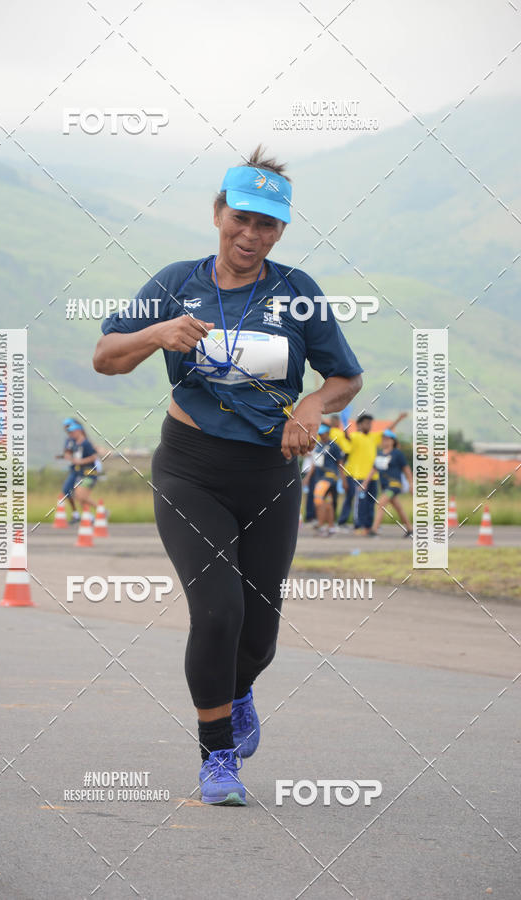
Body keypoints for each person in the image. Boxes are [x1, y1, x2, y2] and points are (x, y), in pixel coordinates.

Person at [93, 146, 363, 806]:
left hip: (271, 474)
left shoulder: (297, 293)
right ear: (218, 214)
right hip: (191, 470)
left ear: (281, 231)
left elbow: (345, 377)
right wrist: (157, 334)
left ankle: (238, 692)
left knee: (260, 633)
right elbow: (105, 356)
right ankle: (217, 759)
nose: (250, 235)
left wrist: (310, 406)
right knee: (218, 611)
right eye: (240, 218)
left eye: (266, 225)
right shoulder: (176, 283)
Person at [330, 411, 407, 535]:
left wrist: (398, 418)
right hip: (358, 476)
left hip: (373, 476)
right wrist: (345, 426)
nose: (369, 425)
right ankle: (357, 525)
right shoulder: (355, 436)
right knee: (360, 502)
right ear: (359, 425)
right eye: (366, 423)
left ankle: (369, 525)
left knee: (372, 502)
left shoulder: (374, 437)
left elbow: (387, 430)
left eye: (370, 423)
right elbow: (347, 437)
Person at [365, 430, 413, 537]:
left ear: (393, 441)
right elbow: (374, 469)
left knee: (381, 503)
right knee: (398, 507)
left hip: (394, 485)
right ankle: (410, 528)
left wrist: (411, 484)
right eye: (383, 439)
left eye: (387, 439)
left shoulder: (397, 453)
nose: (384, 441)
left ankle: (374, 530)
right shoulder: (380, 454)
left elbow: (406, 469)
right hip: (385, 486)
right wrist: (365, 483)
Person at [302, 425, 343, 535]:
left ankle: (320, 524)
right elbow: (314, 463)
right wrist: (307, 477)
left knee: (318, 498)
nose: (321, 435)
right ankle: (330, 527)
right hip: (319, 476)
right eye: (320, 433)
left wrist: (343, 480)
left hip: (330, 475)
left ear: (328, 433)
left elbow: (340, 463)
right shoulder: (318, 446)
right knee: (327, 503)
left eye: (323, 433)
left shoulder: (334, 446)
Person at [68, 425, 99, 514]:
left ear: (79, 431)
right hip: (80, 473)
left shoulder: (86, 443)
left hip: (89, 473)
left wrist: (81, 461)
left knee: (80, 495)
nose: (71, 434)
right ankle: (88, 517)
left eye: (73, 432)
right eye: (70, 433)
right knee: (79, 497)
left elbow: (94, 457)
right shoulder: (75, 444)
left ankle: (101, 510)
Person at [56, 418, 81, 523]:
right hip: (74, 469)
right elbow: (68, 453)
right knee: (67, 491)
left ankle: (90, 515)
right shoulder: (69, 440)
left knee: (80, 494)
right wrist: (62, 456)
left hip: (82, 469)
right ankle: (76, 514)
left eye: (68, 426)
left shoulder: (80, 439)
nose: (67, 429)